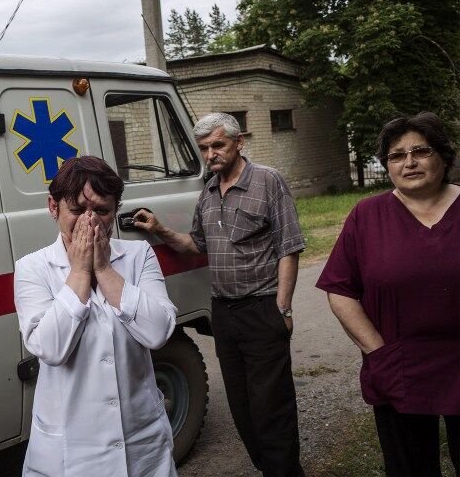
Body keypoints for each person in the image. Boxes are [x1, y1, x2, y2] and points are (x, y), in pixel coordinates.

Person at [133, 112, 306, 476]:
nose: (210, 154)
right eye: (203, 148)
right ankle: (268, 468)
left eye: (217, 145)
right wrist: (160, 229)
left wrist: (283, 309)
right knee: (241, 405)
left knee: (271, 405)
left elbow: (289, 247)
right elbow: (196, 244)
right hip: (224, 313)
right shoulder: (208, 192)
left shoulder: (268, 181)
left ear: (238, 142)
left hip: (262, 307)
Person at [14, 155, 178, 477]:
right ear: (53, 207)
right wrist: (79, 271)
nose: (90, 221)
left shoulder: (137, 255)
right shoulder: (32, 268)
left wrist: (104, 268)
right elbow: (50, 348)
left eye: (102, 211)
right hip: (71, 450)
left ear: (115, 211)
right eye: (77, 210)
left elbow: (158, 331)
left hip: (141, 441)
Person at [316, 112, 459, 476]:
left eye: (421, 151)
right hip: (399, 367)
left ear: (443, 156)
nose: (409, 162)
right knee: (410, 468)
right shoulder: (367, 215)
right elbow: (340, 289)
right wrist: (378, 352)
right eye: (396, 155)